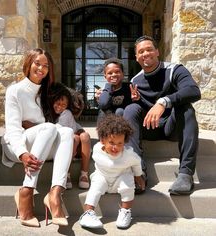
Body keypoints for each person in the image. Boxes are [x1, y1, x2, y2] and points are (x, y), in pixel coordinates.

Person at [1, 48, 74, 227]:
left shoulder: (46, 93)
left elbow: (52, 122)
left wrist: (36, 126)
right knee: (49, 128)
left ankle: (55, 193)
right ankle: (27, 191)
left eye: (46, 66)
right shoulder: (15, 91)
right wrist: (23, 154)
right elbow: (12, 129)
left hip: (41, 143)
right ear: (28, 64)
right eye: (37, 63)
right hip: (16, 147)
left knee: (67, 132)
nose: (41, 68)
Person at [123, 35, 201, 195]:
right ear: (136, 57)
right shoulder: (135, 80)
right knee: (130, 109)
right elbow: (138, 112)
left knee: (185, 108)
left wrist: (164, 102)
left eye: (149, 49)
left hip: (173, 127)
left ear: (157, 51)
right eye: (141, 51)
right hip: (150, 129)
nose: (145, 53)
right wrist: (137, 102)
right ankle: (139, 173)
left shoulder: (175, 69)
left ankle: (186, 174)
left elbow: (194, 91)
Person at [79, 114, 145, 229]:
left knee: (127, 182)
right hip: (103, 177)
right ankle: (88, 213)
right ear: (102, 140)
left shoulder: (129, 154)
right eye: (112, 143)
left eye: (120, 143)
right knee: (96, 185)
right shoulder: (97, 149)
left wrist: (138, 176)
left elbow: (136, 162)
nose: (116, 147)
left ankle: (125, 211)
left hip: (120, 179)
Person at [47, 82, 91, 190]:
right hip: (66, 146)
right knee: (74, 138)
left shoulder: (66, 113)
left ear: (67, 106)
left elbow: (72, 126)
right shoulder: (52, 116)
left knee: (84, 136)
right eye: (57, 103)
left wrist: (80, 130)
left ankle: (84, 173)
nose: (60, 107)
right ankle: (66, 173)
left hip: (75, 148)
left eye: (63, 105)